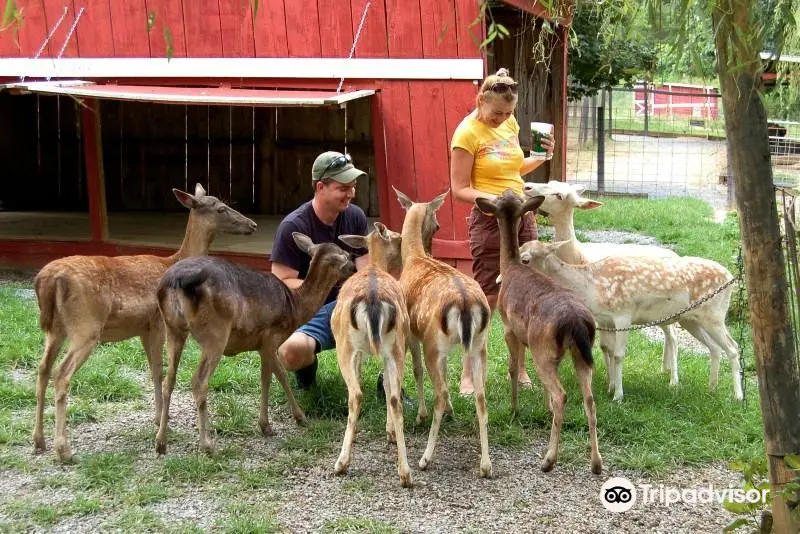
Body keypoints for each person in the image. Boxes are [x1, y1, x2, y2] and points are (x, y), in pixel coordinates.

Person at [450, 68, 555, 396]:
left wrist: (540, 157)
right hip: (490, 220)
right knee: (486, 296)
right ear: (481, 101)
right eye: (497, 112)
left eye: (509, 113)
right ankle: (468, 371)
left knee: (524, 293)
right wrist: (495, 201)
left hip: (522, 214)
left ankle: (521, 368)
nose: (503, 118)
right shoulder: (466, 134)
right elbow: (459, 188)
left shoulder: (509, 122)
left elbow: (513, 167)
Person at [273, 151, 369, 388]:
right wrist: (323, 286)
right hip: (310, 310)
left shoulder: (355, 217)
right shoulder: (293, 227)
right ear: (320, 187)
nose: (351, 194)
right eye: (343, 188)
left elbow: (367, 272)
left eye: (353, 186)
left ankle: (387, 382)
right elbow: (281, 282)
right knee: (290, 353)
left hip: (351, 305)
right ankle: (307, 372)